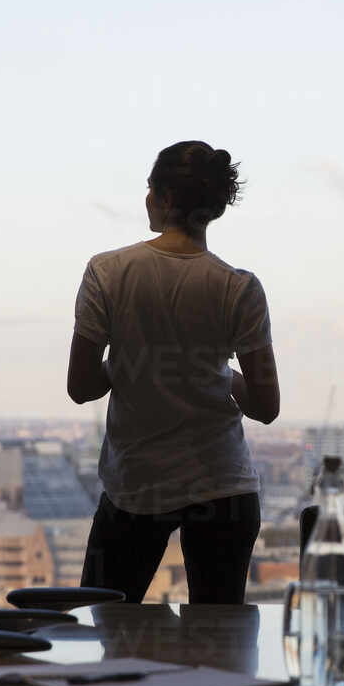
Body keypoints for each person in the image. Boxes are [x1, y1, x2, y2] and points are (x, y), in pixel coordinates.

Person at [68, 140, 280, 604]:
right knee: (220, 651)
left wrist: (128, 361)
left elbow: (81, 387)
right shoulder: (239, 288)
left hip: (134, 485)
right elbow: (265, 406)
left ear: (162, 198)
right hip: (222, 486)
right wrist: (214, 373)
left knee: (104, 631)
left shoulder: (107, 272)